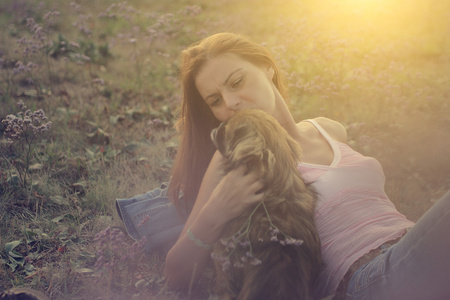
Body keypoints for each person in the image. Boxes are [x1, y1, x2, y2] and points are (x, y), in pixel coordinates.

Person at [136, 32, 450, 299]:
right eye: (215, 100)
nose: (230, 102)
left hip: (412, 250)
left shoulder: (329, 129)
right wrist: (215, 210)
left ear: (267, 68)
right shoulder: (235, 159)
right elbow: (175, 273)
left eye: (236, 81)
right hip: (366, 279)